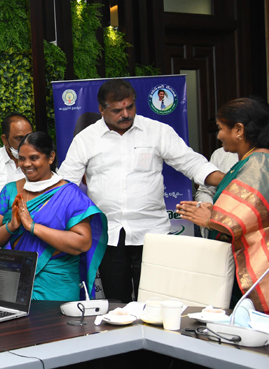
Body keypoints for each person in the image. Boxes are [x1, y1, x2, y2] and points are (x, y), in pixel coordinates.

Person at [59, 79, 224, 303]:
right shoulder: (86, 139)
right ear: (102, 109)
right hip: (109, 234)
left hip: (153, 232)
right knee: (117, 306)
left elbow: (192, 163)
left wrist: (231, 181)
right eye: (117, 110)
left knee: (155, 303)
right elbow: (67, 183)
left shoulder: (157, 131)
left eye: (130, 107)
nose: (126, 114)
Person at [0, 132, 107, 300]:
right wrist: (11, 226)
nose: (26, 164)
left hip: (56, 286)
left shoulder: (70, 195)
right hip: (13, 282)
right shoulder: (10, 190)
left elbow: (82, 243)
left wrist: (33, 227)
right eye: (22, 158)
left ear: (51, 157)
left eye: (34, 158)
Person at [177, 97, 269, 312]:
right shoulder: (249, 160)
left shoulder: (259, 163)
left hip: (257, 263)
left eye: (220, 128)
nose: (218, 135)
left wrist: (210, 220)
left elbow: (244, 217)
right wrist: (214, 210)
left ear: (239, 130)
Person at [0, 113, 34, 212]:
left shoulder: (40, 162)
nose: (25, 143)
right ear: (4, 139)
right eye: (19, 138)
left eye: (29, 137)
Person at [193, 147, 238, 236]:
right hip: (219, 231)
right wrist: (211, 213)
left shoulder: (262, 159)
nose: (219, 138)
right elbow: (205, 191)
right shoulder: (221, 154)